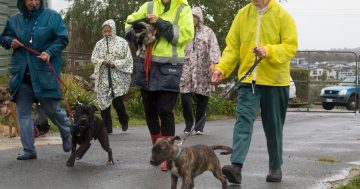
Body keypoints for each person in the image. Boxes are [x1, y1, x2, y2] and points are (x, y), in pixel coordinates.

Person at [211, 0, 298, 184]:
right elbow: (232, 47)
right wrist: (221, 68)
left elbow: (290, 47)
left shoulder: (283, 15)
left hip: (275, 81)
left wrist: (268, 50)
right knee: (243, 121)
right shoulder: (242, 15)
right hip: (248, 80)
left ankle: (275, 166)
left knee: (273, 127)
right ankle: (236, 167)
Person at [125, 0, 194, 171]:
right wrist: (140, 36)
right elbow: (128, 24)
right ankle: (158, 151)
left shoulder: (183, 9)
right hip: (146, 65)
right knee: (149, 112)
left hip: (170, 67)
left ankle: (167, 155)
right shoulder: (148, 6)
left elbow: (184, 36)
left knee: (164, 110)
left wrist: (159, 23)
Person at [0, 0, 72, 160]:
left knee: (52, 110)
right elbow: (3, 37)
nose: (33, 2)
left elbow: (62, 39)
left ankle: (67, 133)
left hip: (44, 73)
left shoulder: (52, 17)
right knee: (23, 114)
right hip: (21, 75)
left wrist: (49, 51)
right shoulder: (14, 19)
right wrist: (9, 42)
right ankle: (29, 150)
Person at [179, 7, 221, 135]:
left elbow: (214, 47)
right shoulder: (184, 30)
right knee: (185, 96)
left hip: (203, 69)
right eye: (190, 16)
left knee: (202, 98)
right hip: (186, 68)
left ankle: (199, 127)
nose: (192, 19)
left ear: (199, 18)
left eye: (194, 17)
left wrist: (213, 63)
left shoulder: (208, 32)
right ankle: (188, 123)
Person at [91, 19, 133, 134]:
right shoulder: (99, 44)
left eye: (109, 31)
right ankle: (107, 128)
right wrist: (102, 61)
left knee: (117, 101)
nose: (106, 34)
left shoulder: (122, 43)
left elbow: (128, 59)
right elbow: (93, 58)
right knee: (103, 102)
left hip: (118, 76)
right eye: (104, 32)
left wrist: (115, 63)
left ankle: (124, 119)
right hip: (103, 76)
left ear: (113, 30)